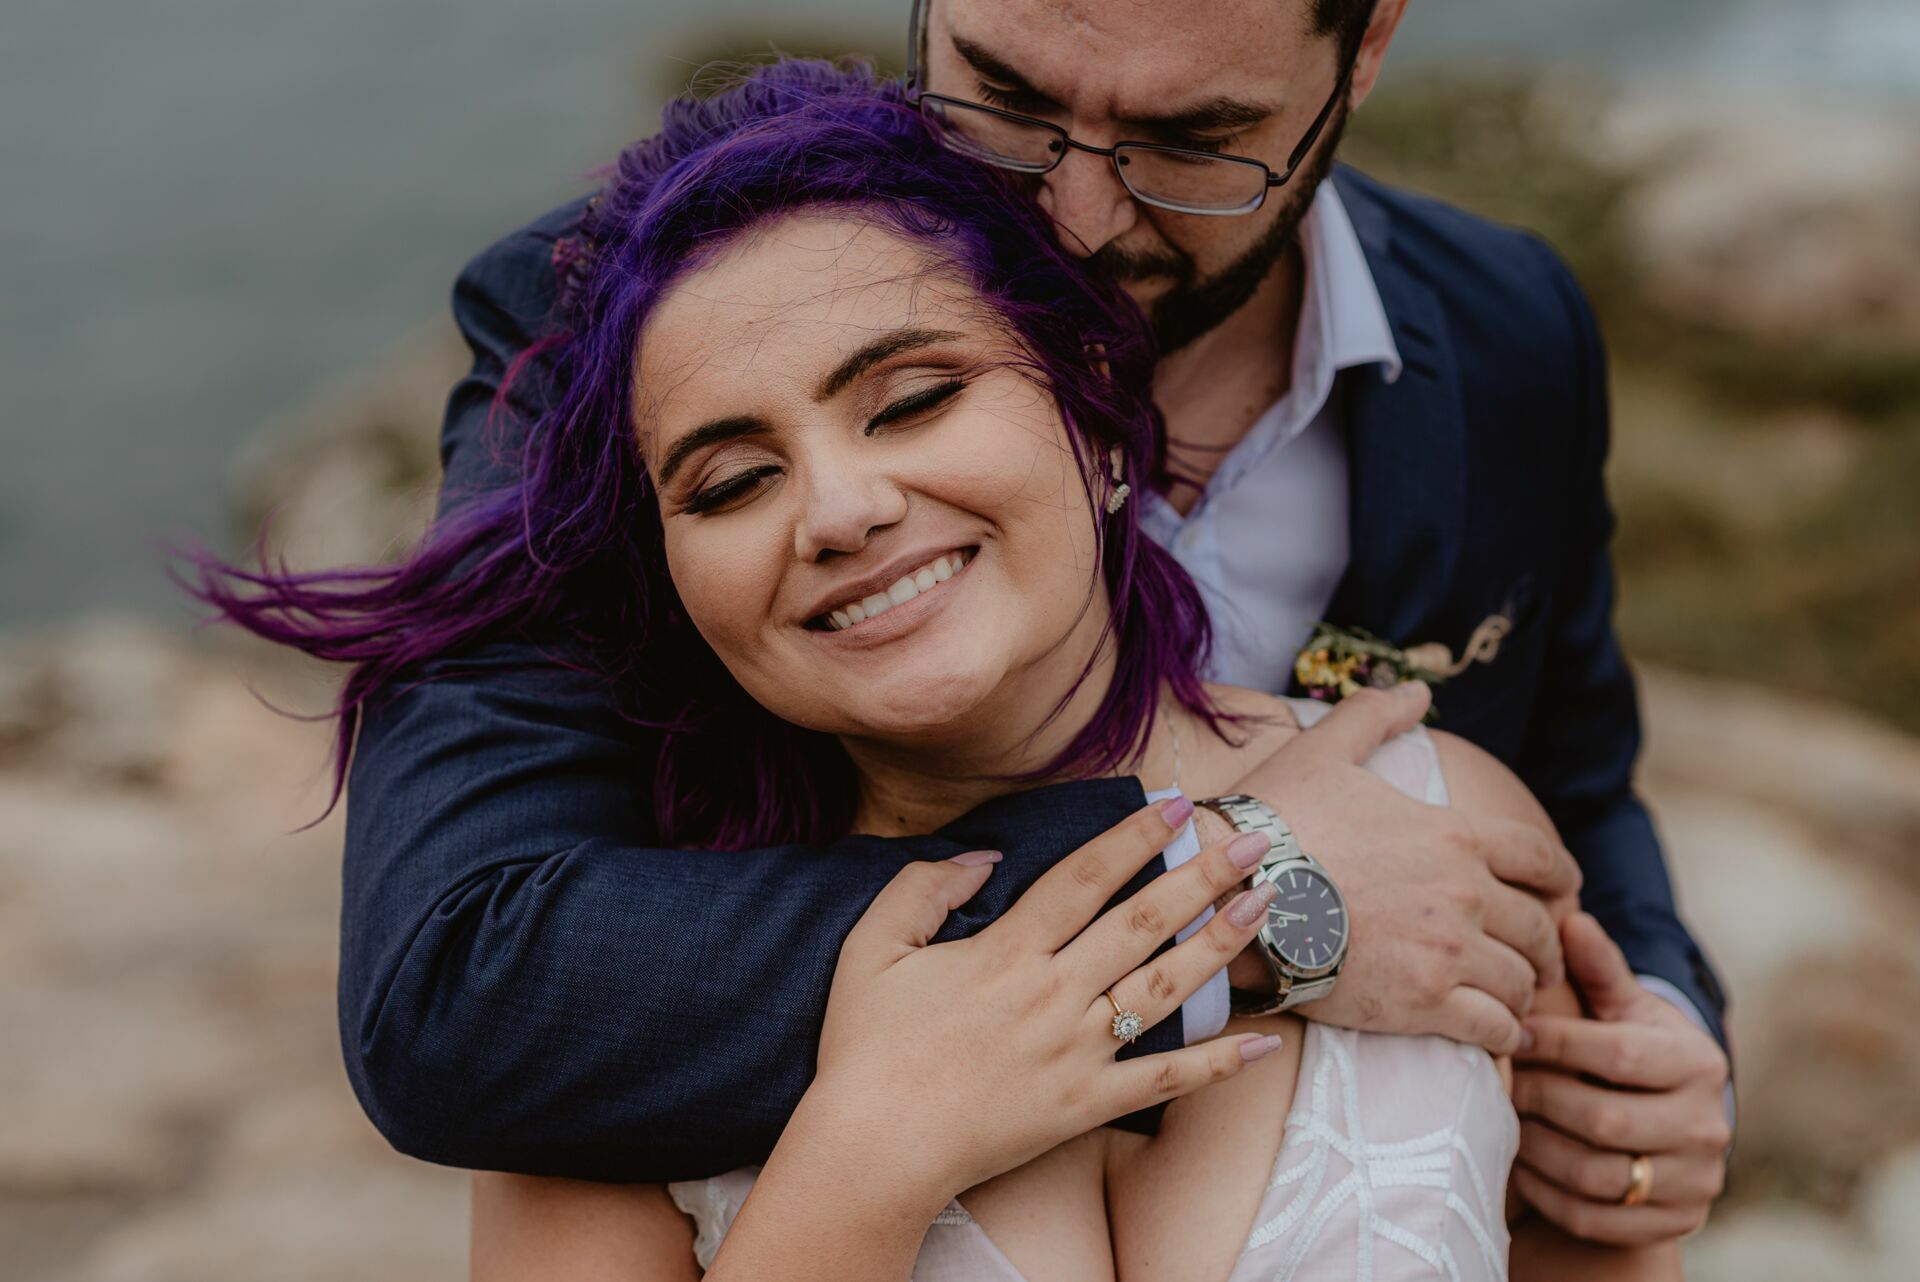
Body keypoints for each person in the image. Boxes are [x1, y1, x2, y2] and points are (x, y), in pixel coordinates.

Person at [261, 0, 1737, 1250]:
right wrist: (1243, 892)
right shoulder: (625, 309)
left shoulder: (1509, 328)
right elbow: (452, 982)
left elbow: (1574, 769)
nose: (1073, 219)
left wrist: (1654, 1040)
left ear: (1363, 50)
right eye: (1008, 96)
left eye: (1193, 140)